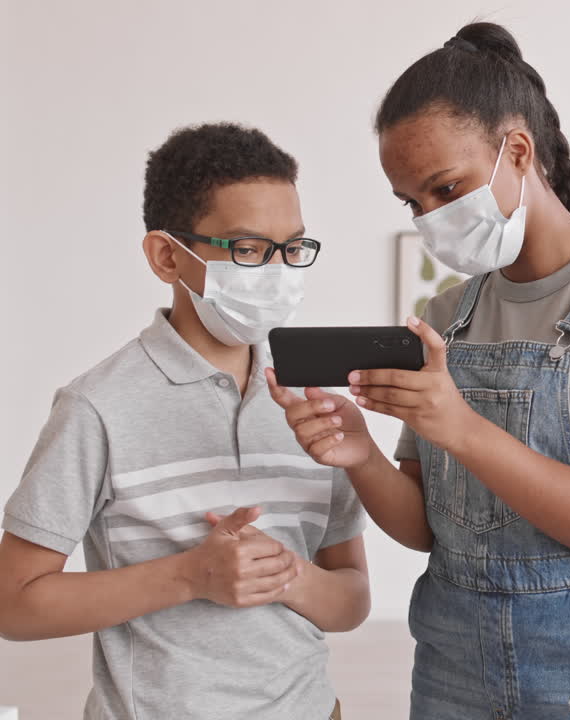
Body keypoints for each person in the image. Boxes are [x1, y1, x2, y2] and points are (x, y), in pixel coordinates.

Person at [268, 22, 570, 720]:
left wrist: (461, 427)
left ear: (518, 151)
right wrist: (360, 454)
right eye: (413, 202)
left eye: (446, 188)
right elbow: (427, 528)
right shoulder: (446, 315)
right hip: (452, 659)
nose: (430, 219)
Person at [0, 123, 369, 720]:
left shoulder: (311, 406)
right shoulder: (96, 407)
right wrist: (193, 576)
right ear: (167, 256)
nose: (277, 271)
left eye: (293, 248)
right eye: (248, 249)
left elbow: (351, 601)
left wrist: (288, 576)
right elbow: (13, 606)